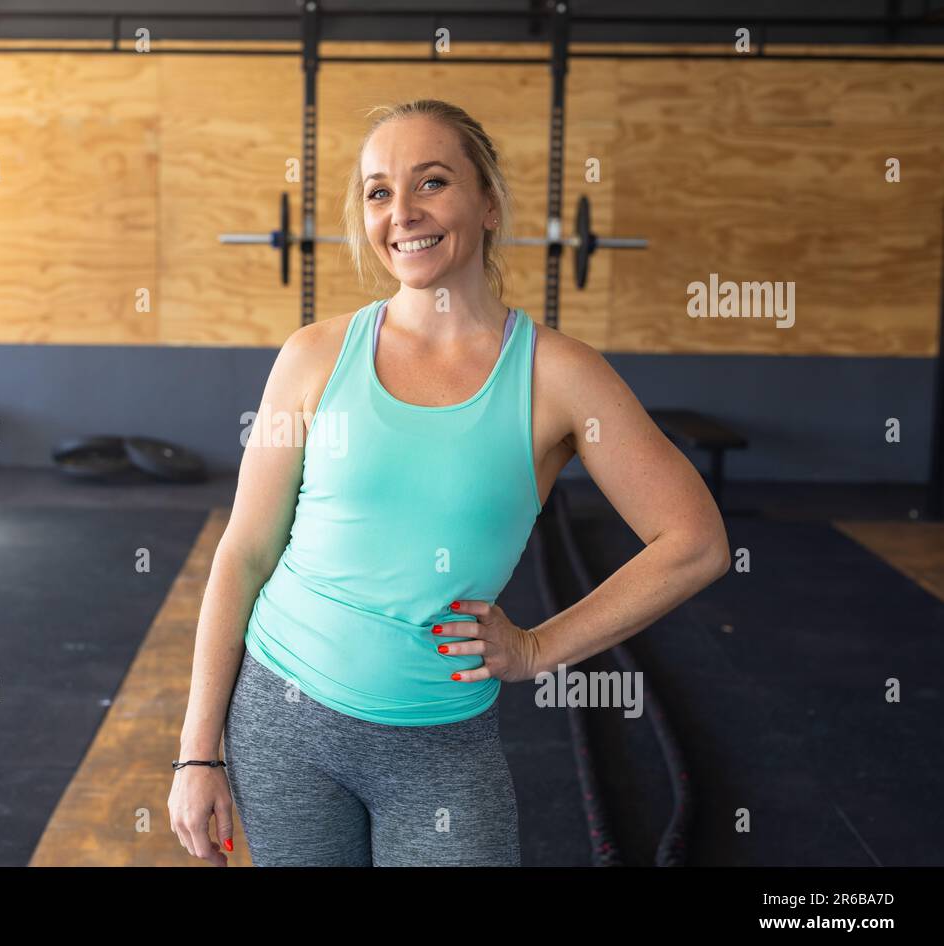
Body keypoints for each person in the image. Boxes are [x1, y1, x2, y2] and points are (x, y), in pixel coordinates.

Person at [168, 99, 730, 866]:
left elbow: (694, 543)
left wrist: (537, 648)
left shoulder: (558, 377)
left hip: (441, 746)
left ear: (489, 203)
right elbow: (243, 553)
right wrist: (197, 753)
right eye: (377, 191)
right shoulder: (312, 356)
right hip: (282, 722)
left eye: (431, 182)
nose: (402, 212)